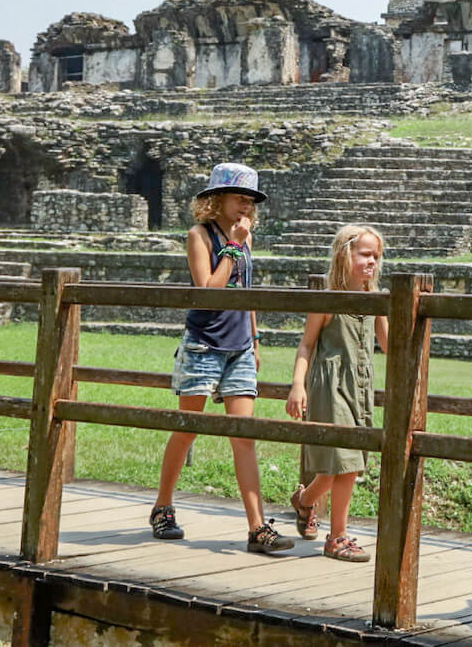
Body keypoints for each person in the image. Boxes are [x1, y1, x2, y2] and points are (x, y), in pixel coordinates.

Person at [149, 162, 294, 555]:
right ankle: (163, 507)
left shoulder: (244, 240)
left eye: (250, 201)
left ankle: (257, 527)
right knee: (188, 428)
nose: (245, 207)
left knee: (243, 436)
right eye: (239, 198)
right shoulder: (200, 235)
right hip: (204, 345)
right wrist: (232, 245)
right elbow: (209, 290)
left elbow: (245, 292)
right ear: (217, 200)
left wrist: (256, 337)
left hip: (240, 347)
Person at [285, 224, 389, 562]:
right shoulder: (327, 297)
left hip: (360, 388)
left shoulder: (376, 301)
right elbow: (307, 344)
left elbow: (390, 345)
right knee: (346, 464)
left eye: (377, 256)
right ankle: (338, 537)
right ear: (345, 254)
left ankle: (304, 501)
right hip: (330, 387)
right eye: (365, 254)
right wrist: (297, 385)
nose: (372, 262)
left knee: (340, 465)